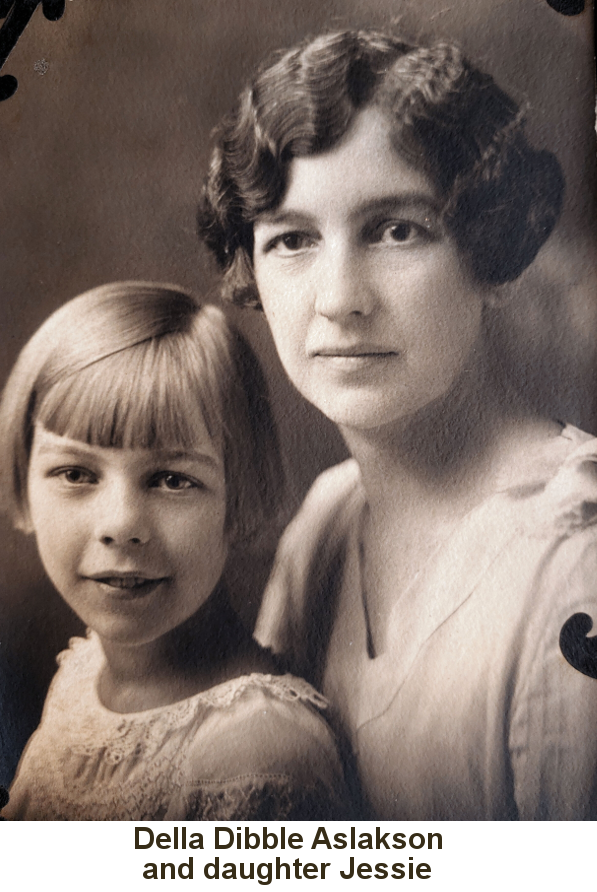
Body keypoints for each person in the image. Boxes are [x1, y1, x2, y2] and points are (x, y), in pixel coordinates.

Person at [199, 30, 597, 819]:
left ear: (492, 251)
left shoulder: (572, 570)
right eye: (293, 240)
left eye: (396, 229)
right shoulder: (325, 523)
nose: (340, 298)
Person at [0, 281, 347, 820]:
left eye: (170, 479)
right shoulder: (83, 671)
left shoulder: (259, 753)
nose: (120, 526)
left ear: (240, 497)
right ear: (23, 486)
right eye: (75, 473)